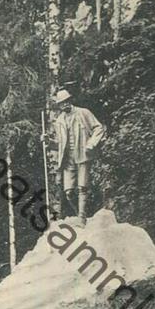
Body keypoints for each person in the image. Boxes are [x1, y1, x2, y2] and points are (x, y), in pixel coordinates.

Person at [49, 89, 105, 225]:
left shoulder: (83, 113)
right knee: (69, 192)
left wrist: (91, 143)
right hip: (68, 159)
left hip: (83, 155)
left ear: (70, 100)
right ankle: (83, 211)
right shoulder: (59, 121)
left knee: (82, 187)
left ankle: (82, 217)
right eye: (61, 104)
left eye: (66, 102)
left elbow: (99, 128)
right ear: (59, 106)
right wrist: (48, 142)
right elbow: (59, 144)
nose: (65, 105)